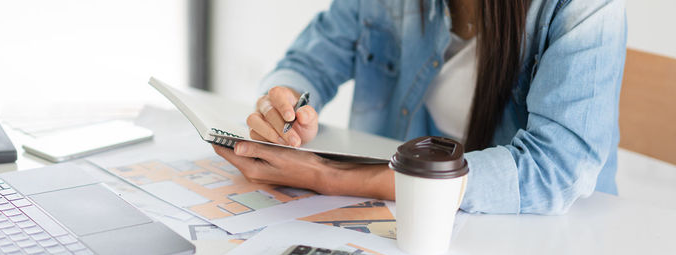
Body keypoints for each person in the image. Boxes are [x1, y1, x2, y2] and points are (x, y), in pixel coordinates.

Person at [213, 0, 627, 214]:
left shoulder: (582, 6)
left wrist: (334, 177)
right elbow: (309, 61)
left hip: (544, 232)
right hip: (416, 224)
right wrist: (282, 101)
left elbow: (554, 171)